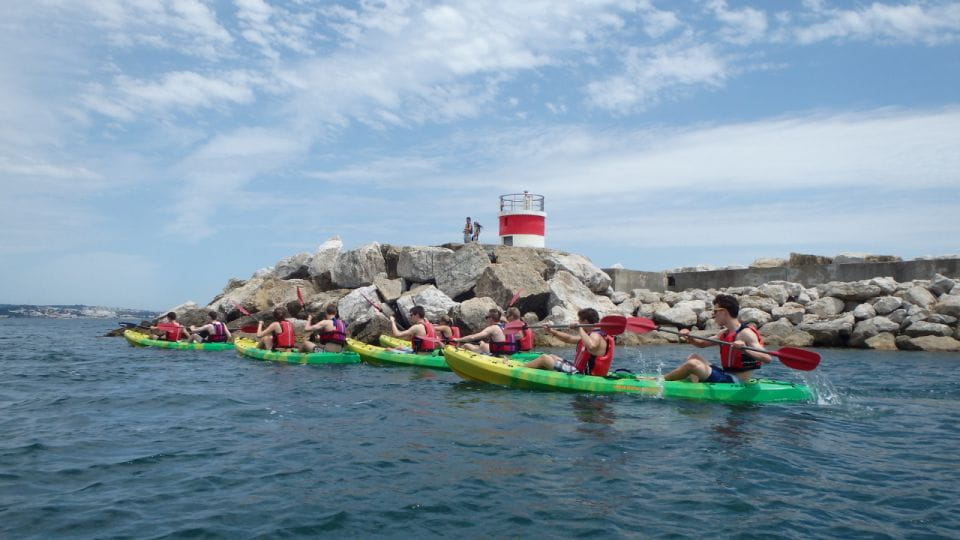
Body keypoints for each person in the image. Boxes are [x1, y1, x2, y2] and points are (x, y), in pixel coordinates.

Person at [664, 294, 772, 383]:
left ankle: (662, 381)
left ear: (723, 312)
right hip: (725, 374)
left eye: (715, 311)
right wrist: (689, 337)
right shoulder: (724, 333)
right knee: (694, 357)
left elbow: (767, 358)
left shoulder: (746, 333)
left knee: (692, 364)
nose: (713, 315)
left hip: (736, 380)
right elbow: (701, 344)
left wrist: (745, 350)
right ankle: (695, 387)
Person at [524, 308, 614, 376]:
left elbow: (591, 346)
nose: (578, 322)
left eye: (579, 320)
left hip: (584, 374)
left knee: (544, 358)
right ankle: (532, 368)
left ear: (585, 321)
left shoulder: (595, 335)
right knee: (552, 356)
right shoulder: (591, 335)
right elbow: (569, 338)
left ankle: (521, 370)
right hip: (580, 369)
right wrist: (552, 331)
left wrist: (579, 328)